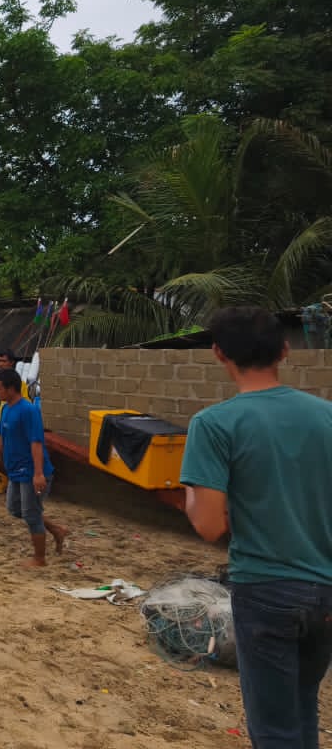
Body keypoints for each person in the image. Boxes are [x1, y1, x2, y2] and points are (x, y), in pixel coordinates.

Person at [179, 307, 332, 746]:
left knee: (274, 729)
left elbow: (209, 526)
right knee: (304, 709)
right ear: (284, 350)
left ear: (218, 353)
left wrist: (195, 494)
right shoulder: (326, 416)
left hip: (266, 590)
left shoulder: (214, 424)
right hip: (325, 590)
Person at [0, 368, 68, 566]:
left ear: (10, 389)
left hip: (30, 471)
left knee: (31, 514)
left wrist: (38, 473)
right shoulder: (6, 409)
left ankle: (39, 558)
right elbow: (1, 437)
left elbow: (36, 442)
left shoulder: (28, 410)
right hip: (15, 471)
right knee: (15, 509)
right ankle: (56, 530)